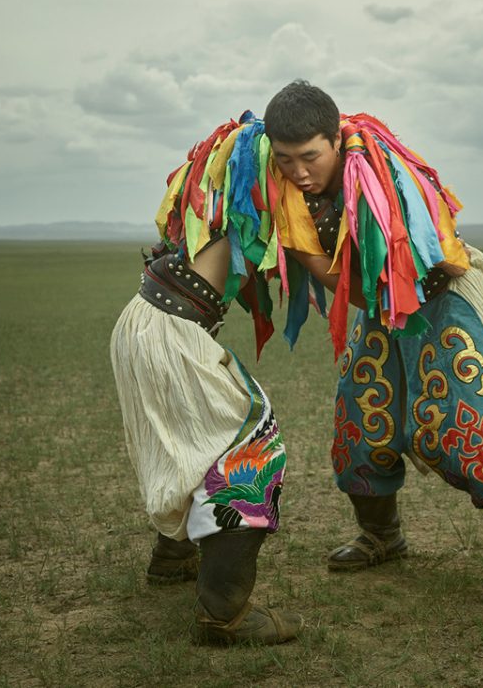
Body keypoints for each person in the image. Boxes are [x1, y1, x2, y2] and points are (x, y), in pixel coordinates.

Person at [264, 80, 483, 603]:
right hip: (380, 308)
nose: (298, 172)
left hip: (439, 301)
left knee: (469, 422)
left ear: (335, 140)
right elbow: (353, 285)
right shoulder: (285, 190)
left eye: (309, 157)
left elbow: (425, 264)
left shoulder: (382, 175)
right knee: (359, 420)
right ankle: (382, 537)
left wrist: (314, 258)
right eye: (285, 159)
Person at [109, 113, 303, 644]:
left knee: (193, 440)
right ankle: (225, 616)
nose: (299, 172)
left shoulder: (216, 207)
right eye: (287, 160)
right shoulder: (251, 203)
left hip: (145, 324)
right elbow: (323, 263)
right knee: (251, 447)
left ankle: (173, 559)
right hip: (169, 332)